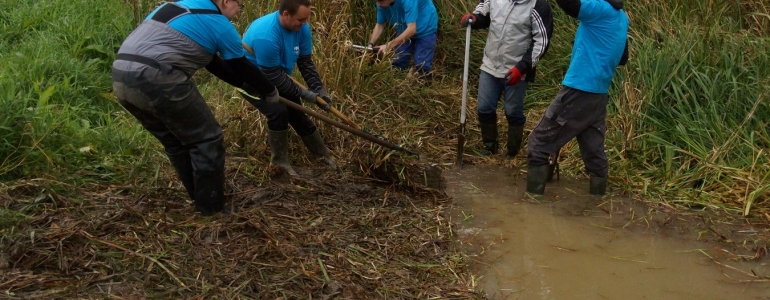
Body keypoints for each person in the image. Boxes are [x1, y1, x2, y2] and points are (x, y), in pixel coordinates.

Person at [112, 0, 279, 216]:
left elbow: (214, 64)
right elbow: (240, 64)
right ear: (226, 1)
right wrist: (269, 90)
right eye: (241, 5)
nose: (239, 12)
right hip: (156, 77)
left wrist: (248, 86)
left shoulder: (179, 7)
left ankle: (201, 197)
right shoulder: (219, 23)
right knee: (207, 138)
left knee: (175, 141)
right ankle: (212, 210)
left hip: (121, 76)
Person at [526, 0, 629, 195]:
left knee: (539, 143)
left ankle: (531, 205)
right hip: (598, 94)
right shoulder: (622, 17)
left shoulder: (601, 8)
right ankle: (597, 201)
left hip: (579, 89)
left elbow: (569, 4)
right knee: (594, 152)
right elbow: (623, 58)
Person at [241, 0, 337, 177]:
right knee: (279, 112)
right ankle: (280, 163)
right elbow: (272, 77)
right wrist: (307, 95)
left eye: (306, 19)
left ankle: (322, 156)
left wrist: (319, 91)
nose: (305, 23)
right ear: (286, 15)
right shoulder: (266, 35)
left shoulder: (301, 27)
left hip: (278, 75)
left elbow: (305, 62)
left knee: (297, 112)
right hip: (251, 79)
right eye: (301, 19)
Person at [460, 0, 553, 159]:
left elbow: (541, 42)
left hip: (516, 70)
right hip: (490, 64)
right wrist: (474, 19)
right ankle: (490, 146)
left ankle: (512, 152)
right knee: (484, 108)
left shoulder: (538, 6)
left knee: (513, 111)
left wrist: (522, 67)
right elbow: (484, 14)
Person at [367, 0, 439, 81]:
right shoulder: (381, 4)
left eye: (381, 1)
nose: (379, 4)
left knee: (422, 64)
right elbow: (380, 25)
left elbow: (412, 30)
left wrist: (388, 45)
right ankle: (396, 80)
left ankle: (423, 82)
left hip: (425, 27)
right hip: (404, 27)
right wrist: (370, 45)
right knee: (399, 60)